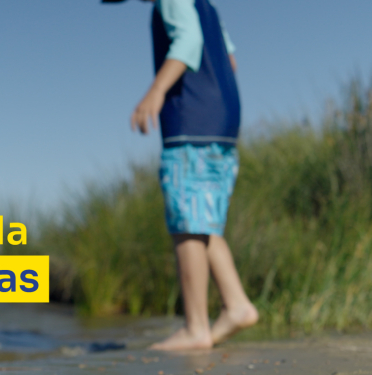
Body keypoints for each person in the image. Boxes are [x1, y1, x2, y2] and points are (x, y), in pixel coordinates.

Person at [103, 0, 258, 350]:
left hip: (191, 121)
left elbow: (187, 42)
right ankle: (236, 305)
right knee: (203, 217)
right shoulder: (205, 5)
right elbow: (230, 60)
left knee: (187, 221)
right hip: (223, 121)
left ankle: (196, 327)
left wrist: (156, 91)